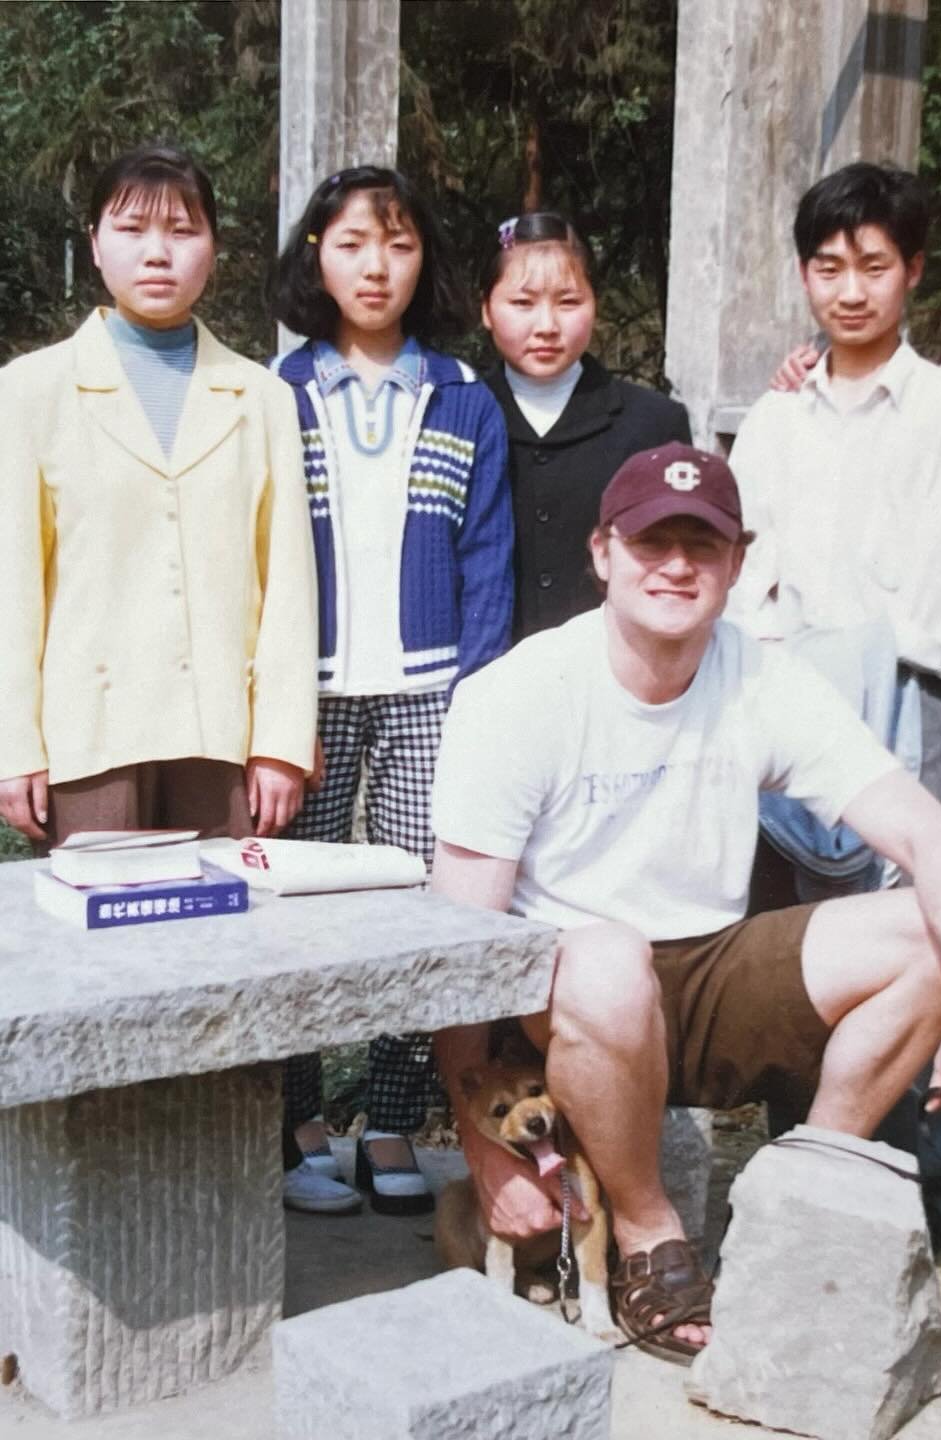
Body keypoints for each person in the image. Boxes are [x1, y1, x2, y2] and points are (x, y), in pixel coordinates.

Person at [429, 442, 941, 1361]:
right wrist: (484, 1151)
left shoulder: (762, 675)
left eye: (701, 546)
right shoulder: (520, 693)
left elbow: (930, 839)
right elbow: (457, 945)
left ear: (736, 564)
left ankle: (798, 1208)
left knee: (926, 934)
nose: (675, 566)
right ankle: (646, 1237)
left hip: (708, 967)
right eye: (650, 542)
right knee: (606, 958)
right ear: (602, 554)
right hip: (566, 1003)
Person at [268, 166, 514, 1217]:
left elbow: (488, 557)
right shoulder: (277, 394)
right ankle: (296, 1120)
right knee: (296, 914)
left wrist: (476, 693)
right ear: (316, 253)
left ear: (427, 261)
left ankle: (392, 1122)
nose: (376, 266)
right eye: (354, 242)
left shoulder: (462, 395)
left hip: (428, 694)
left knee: (423, 907)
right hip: (306, 695)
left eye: (400, 243)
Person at [0, 145, 314, 853]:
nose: (157, 253)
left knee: (228, 941)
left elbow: (288, 584)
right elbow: (11, 585)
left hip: (222, 734)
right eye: (132, 230)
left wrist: (282, 741)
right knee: (102, 949)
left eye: (181, 231)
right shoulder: (31, 390)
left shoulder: (262, 396)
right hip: (90, 733)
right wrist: (14, 742)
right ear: (94, 244)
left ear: (214, 249)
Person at [726, 162, 941, 809]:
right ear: (802, 274)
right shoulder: (775, 415)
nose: (850, 292)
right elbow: (746, 567)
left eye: (874, 267)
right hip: (783, 688)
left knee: (892, 890)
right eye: (828, 268)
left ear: (914, 270)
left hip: (905, 691)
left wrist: (854, 665)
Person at [479, 211, 691, 643]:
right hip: (485, 676)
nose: (546, 326)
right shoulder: (458, 415)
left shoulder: (653, 423)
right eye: (522, 303)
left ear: (596, 303)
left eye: (568, 302)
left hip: (616, 671)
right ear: (485, 309)